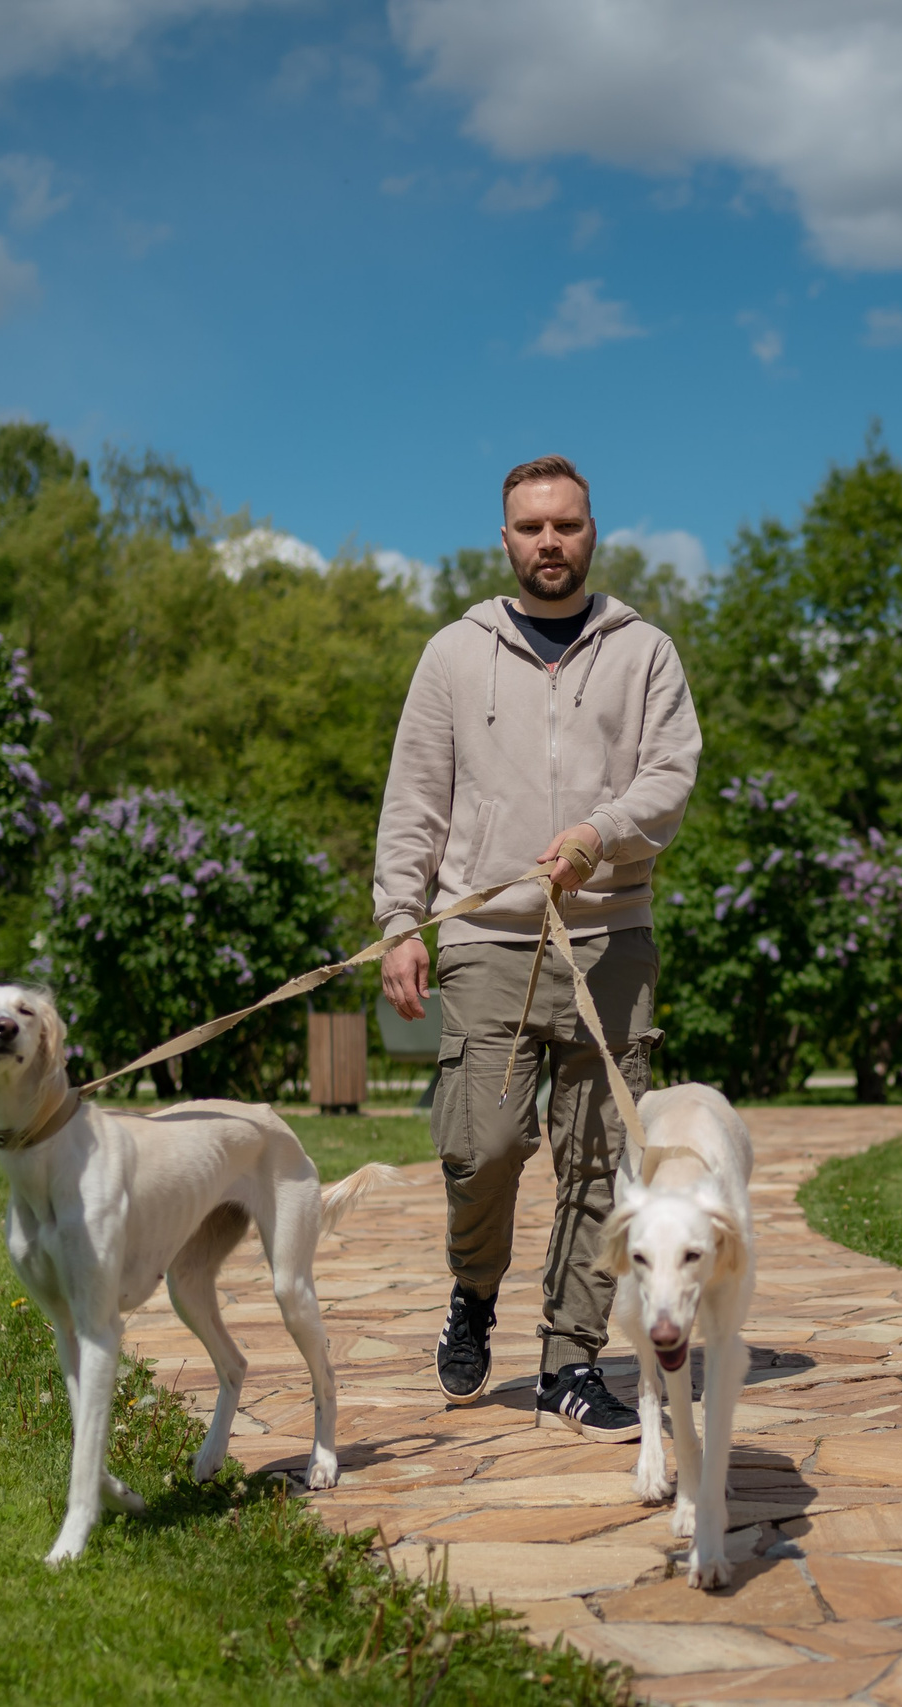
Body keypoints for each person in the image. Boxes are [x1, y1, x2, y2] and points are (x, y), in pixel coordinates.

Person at [373, 455, 702, 1444]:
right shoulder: (453, 654)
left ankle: (570, 1360)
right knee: (479, 1148)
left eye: (565, 525)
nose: (548, 543)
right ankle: (473, 1292)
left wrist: (599, 834)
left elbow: (671, 778)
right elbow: (415, 799)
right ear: (505, 538)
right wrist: (400, 920)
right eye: (530, 528)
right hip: (483, 937)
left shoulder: (642, 651)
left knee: (600, 1164)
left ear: (592, 532)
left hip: (612, 936)